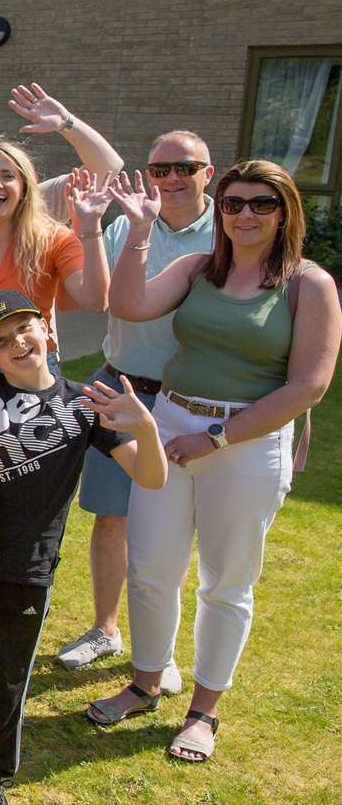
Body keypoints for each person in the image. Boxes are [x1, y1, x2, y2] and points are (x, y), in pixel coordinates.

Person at [87, 161, 340, 763]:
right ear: (219, 210)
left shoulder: (309, 284)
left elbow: (308, 386)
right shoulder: (201, 268)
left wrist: (219, 437)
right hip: (170, 424)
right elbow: (126, 304)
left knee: (226, 581)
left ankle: (204, 710)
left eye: (261, 204)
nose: (245, 215)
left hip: (247, 441)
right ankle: (146, 683)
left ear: (285, 213)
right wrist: (140, 230)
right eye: (233, 204)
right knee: (151, 565)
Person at [0, 292, 166, 805]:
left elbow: (152, 479)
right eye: (1, 342)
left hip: (28, 566)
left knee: (8, 676)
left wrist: (146, 430)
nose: (17, 346)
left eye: (24, 331)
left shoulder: (84, 405)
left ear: (47, 330)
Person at [58, 133, 217, 677]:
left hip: (183, 402)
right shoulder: (128, 221)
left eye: (184, 168)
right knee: (111, 518)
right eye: (160, 168)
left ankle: (160, 651)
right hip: (119, 386)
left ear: (207, 173)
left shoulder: (228, 231)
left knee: (168, 530)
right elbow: (101, 294)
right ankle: (105, 629)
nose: (171, 179)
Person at [0, 138, 112, 396]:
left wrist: (90, 228)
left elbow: (95, 301)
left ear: (24, 187)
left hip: (35, 371)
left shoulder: (56, 239)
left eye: (7, 176)